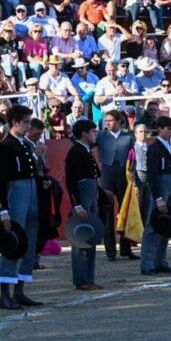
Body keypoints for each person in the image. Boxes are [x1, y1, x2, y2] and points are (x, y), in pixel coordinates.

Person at [0, 105, 43, 310]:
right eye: (26, 122)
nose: (29, 126)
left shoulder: (25, 144)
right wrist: (2, 209)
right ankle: (5, 294)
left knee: (29, 242)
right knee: (12, 242)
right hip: (16, 193)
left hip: (31, 192)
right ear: (15, 123)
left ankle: (19, 291)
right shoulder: (5, 146)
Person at [65, 120, 104, 291]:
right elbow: (71, 180)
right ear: (83, 134)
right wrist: (77, 204)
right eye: (92, 132)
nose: (95, 134)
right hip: (82, 197)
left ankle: (88, 278)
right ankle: (81, 279)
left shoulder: (85, 150)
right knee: (81, 238)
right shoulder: (76, 151)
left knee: (91, 236)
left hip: (90, 196)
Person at [97, 110, 139, 261]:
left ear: (119, 121)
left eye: (111, 120)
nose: (108, 123)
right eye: (106, 121)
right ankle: (110, 251)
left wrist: (133, 175)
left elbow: (134, 157)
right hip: (107, 176)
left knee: (125, 211)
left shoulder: (128, 137)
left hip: (124, 175)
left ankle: (126, 249)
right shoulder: (101, 135)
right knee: (107, 213)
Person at [140, 116, 171, 275]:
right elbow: (151, 175)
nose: (170, 132)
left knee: (167, 224)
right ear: (160, 129)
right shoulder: (155, 148)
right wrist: (157, 197)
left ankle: (160, 261)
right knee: (152, 225)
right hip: (161, 188)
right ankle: (147, 264)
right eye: (168, 129)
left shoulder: (168, 147)